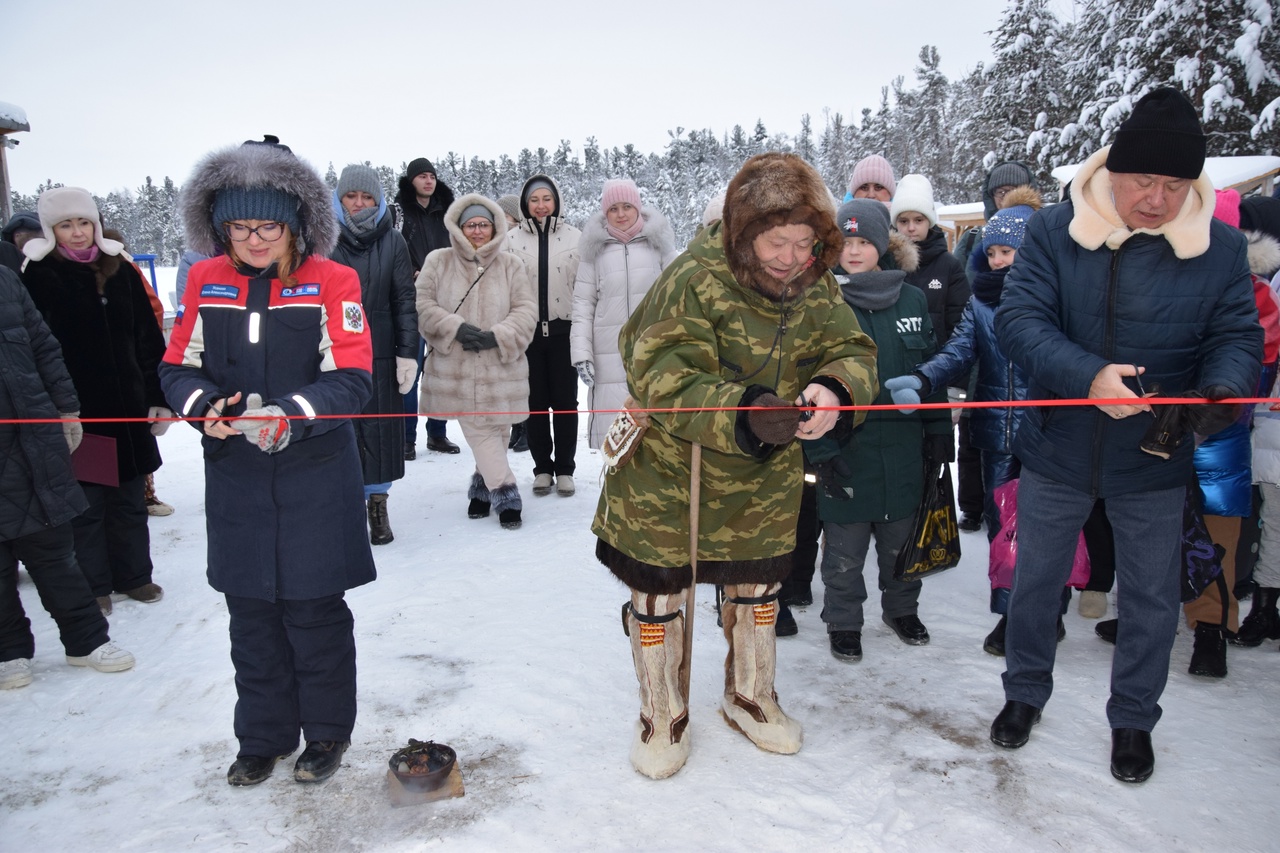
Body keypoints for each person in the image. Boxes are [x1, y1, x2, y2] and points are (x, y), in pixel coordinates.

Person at [989, 88, 1262, 784]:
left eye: (1174, 184)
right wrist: (1089, 377)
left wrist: (1220, 395)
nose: (1157, 199)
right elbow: (1021, 324)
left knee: (1151, 596)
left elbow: (1237, 337)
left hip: (1156, 454)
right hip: (1060, 443)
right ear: (1113, 168)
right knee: (1036, 580)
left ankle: (1135, 717)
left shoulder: (1220, 246)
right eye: (1144, 179)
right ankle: (1024, 693)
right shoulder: (1054, 230)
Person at [592, 152, 878, 780]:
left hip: (763, 476)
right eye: (777, 240)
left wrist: (835, 385)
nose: (790, 256)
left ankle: (749, 694)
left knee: (758, 592)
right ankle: (660, 710)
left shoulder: (817, 280)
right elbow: (660, 372)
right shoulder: (695, 275)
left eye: (805, 242)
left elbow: (851, 345)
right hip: (672, 474)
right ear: (745, 231)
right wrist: (744, 411)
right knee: (660, 596)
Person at [160, 139, 375, 787]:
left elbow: (353, 378)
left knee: (314, 616)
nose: (254, 239)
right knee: (250, 617)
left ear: (296, 226)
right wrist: (206, 408)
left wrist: (291, 411)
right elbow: (176, 367)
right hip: (238, 480)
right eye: (240, 227)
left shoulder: (334, 281)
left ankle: (326, 734)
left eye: (268, 226)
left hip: (314, 478)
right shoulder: (205, 280)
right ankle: (262, 737)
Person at [887, 191, 1080, 655]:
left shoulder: (1061, 303)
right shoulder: (982, 304)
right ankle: (1011, 611)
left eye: (1006, 252)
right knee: (1002, 528)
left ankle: (1046, 609)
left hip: (1051, 434)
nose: (996, 262)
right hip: (995, 432)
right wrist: (920, 376)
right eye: (990, 253)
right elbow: (958, 351)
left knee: (1046, 527)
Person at [807, 198, 949, 663]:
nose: (853, 251)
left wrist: (937, 433)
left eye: (864, 241)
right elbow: (805, 389)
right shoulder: (820, 300)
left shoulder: (911, 298)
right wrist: (821, 452)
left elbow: (929, 373)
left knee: (901, 546)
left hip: (904, 452)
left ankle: (901, 610)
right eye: (845, 242)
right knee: (843, 553)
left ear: (882, 246)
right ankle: (844, 622)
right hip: (848, 451)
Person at [19, 187, 170, 617]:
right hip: (79, 409)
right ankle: (96, 583)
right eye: (66, 225)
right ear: (52, 230)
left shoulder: (119, 267)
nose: (78, 232)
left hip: (129, 402)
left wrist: (156, 396)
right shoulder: (39, 275)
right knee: (88, 502)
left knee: (127, 498)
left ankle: (134, 576)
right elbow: (35, 348)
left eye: (84, 222)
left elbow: (147, 335)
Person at [0, 265, 135, 689]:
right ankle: (9, 651)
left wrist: (66, 407)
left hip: (32, 436)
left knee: (55, 549)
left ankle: (87, 641)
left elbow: (43, 346)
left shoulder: (5, 280)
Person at [416, 195, 536, 529]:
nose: (478, 231)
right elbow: (423, 306)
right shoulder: (438, 261)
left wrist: (497, 335)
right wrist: (455, 328)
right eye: (471, 224)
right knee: (480, 428)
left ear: (495, 227)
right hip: (457, 367)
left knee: (497, 429)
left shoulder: (512, 265)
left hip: (502, 366)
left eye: (484, 224)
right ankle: (506, 492)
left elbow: (526, 310)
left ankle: (481, 490)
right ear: (458, 227)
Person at [327, 164, 418, 546]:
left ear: (379, 200)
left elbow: (404, 300)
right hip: (330, 351)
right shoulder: (322, 239)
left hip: (380, 350)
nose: (359, 204)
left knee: (379, 430)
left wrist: (407, 352)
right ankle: (344, 507)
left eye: (367, 197)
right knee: (339, 428)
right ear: (339, 199)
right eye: (351, 196)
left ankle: (377, 505)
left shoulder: (394, 241)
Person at [570, 179, 678, 449]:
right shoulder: (594, 252)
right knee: (615, 434)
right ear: (605, 213)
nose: (621, 214)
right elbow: (582, 305)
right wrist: (581, 354)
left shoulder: (660, 246)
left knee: (657, 431)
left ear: (638, 208)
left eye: (627, 206)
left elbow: (680, 297)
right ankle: (617, 486)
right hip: (608, 353)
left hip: (654, 350)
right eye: (613, 209)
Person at [507, 174, 582, 496]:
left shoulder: (576, 238)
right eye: (534, 200)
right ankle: (542, 469)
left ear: (556, 202)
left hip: (564, 329)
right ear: (526, 204)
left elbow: (585, 288)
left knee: (566, 403)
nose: (540, 205)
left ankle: (565, 469)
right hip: (528, 334)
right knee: (534, 403)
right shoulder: (510, 240)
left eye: (546, 199)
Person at [395, 157, 460, 457]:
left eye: (431, 175)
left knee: (441, 369)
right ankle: (407, 437)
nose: (428, 181)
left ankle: (437, 433)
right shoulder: (399, 214)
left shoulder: (449, 213)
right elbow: (393, 249)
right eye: (421, 176)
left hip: (445, 299)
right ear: (411, 181)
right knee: (410, 369)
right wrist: (412, 272)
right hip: (409, 299)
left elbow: (462, 249)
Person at [890, 174, 971, 345]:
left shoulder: (950, 266)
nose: (911, 228)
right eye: (904, 221)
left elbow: (960, 326)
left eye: (918, 220)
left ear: (930, 222)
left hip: (937, 365)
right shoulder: (884, 263)